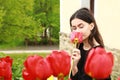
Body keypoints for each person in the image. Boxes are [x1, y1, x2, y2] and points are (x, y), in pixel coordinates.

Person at [70, 8, 111, 80]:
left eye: (81, 26)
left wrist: (74, 67)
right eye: (74, 28)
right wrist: (74, 65)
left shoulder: (98, 53)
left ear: (91, 26)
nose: (77, 31)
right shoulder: (79, 47)